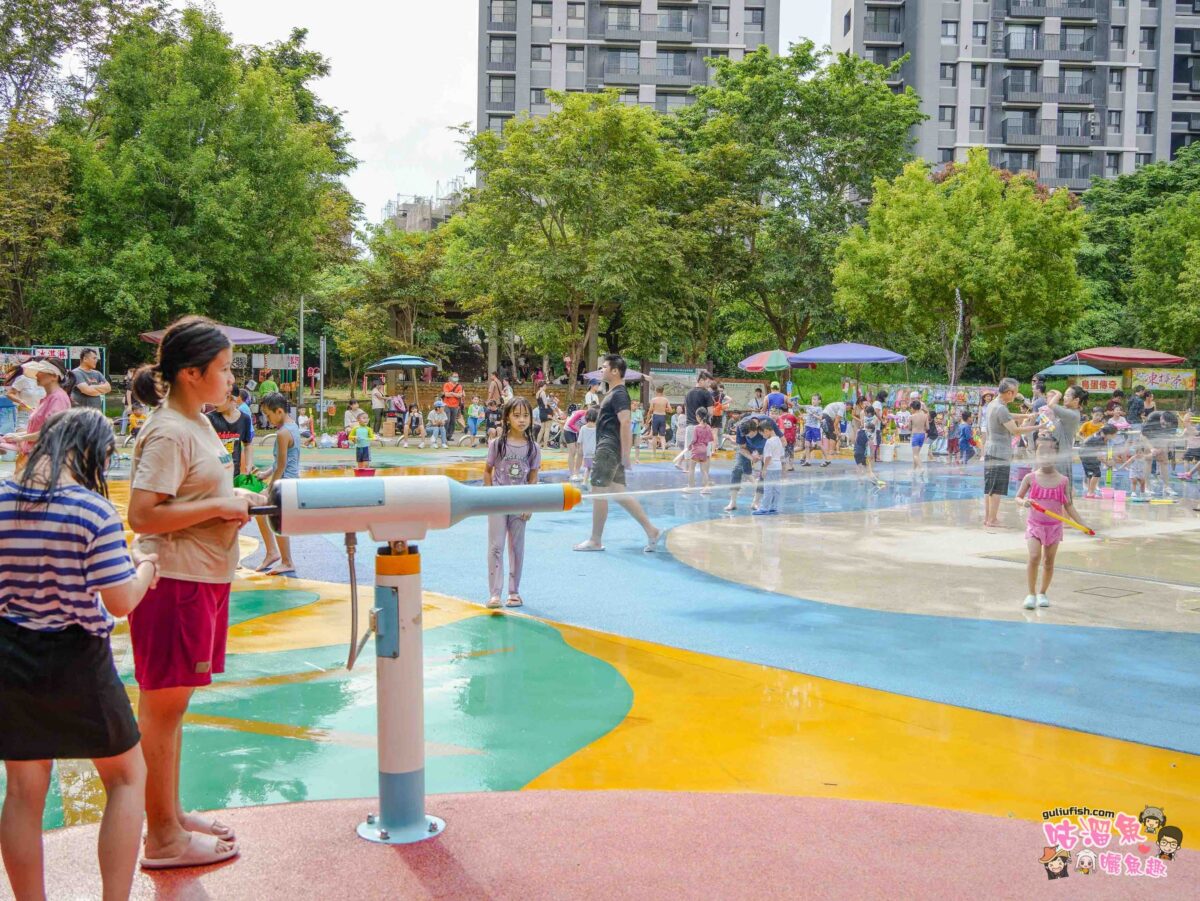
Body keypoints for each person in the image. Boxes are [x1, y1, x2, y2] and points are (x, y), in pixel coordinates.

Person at [1, 408, 159, 900]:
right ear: (93, 451)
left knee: (24, 791)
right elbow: (120, 601)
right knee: (127, 778)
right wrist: (146, 568)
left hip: (9, 655)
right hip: (78, 659)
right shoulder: (92, 511)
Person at [125, 316, 258, 869]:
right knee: (163, 709)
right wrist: (219, 508)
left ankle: (170, 815)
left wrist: (227, 510)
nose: (231, 379)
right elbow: (143, 514)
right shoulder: (169, 430)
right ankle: (161, 839)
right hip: (174, 583)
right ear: (191, 373)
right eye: (224, 369)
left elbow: (194, 499)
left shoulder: (199, 423)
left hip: (203, 575)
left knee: (173, 709)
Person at [573, 354, 662, 553]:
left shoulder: (619, 394)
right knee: (619, 493)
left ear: (615, 371)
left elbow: (625, 422)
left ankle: (595, 540)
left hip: (608, 448)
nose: (602, 370)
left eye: (604, 367)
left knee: (598, 492)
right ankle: (652, 530)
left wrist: (625, 454)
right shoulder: (614, 393)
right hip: (611, 448)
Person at [1016, 437, 1088, 610]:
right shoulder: (1030, 478)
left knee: (1049, 561)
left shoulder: (1063, 480)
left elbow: (1069, 506)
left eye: (1050, 452)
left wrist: (1083, 525)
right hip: (1035, 525)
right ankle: (1031, 593)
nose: (1045, 456)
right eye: (1042, 452)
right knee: (1034, 556)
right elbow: (1017, 497)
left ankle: (1042, 592)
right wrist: (1023, 502)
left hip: (1054, 528)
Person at [982, 378, 1039, 528]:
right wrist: (1040, 427)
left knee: (989, 487)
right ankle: (992, 520)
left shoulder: (994, 404)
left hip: (991, 450)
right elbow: (1015, 430)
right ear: (1008, 393)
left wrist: (1025, 416)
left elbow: (1007, 416)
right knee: (996, 488)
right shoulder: (1000, 408)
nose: (1016, 395)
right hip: (999, 452)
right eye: (1015, 392)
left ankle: (988, 518)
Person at [255, 393, 299, 578]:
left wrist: (271, 486)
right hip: (288, 480)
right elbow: (281, 462)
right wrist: (265, 473)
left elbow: (281, 466)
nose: (267, 419)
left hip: (285, 483)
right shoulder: (292, 426)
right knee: (270, 515)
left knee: (269, 514)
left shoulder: (282, 433)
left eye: (268, 414)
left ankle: (284, 559)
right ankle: (275, 553)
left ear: (279, 411)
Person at [1, 359, 73, 469]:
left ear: (54, 376)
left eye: (41, 371)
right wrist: (17, 436)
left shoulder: (58, 399)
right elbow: (39, 429)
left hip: (44, 461)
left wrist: (20, 438)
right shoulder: (48, 398)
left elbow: (50, 432)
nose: (37, 374)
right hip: (34, 458)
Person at [725, 412, 782, 513]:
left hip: (765, 450)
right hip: (747, 450)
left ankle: (756, 501)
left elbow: (782, 441)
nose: (748, 437)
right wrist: (751, 457)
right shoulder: (741, 427)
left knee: (764, 474)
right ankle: (732, 501)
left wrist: (765, 456)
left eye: (749, 435)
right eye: (745, 435)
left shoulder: (767, 422)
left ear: (757, 429)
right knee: (737, 469)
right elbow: (742, 448)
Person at [1041, 386, 1088, 485]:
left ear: (1076, 400)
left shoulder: (1072, 414)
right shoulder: (1068, 411)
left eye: (1067, 395)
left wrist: (1058, 394)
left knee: (1059, 487)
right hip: (1056, 454)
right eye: (1064, 395)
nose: (1064, 398)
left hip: (1061, 456)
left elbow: (1051, 405)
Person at [673, 371, 715, 470]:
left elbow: (686, 411)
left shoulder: (688, 393)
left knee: (689, 452)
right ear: (701, 380)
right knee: (706, 453)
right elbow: (710, 412)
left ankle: (687, 474)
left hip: (690, 426)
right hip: (702, 428)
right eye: (708, 382)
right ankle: (705, 477)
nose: (709, 385)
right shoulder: (706, 394)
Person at [206, 392, 253, 477]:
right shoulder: (209, 418)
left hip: (234, 472)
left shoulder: (245, 419)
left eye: (218, 399)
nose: (214, 403)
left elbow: (247, 444)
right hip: (213, 473)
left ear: (231, 399)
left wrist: (248, 464)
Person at [1080, 424, 1118, 498]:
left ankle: (1089, 492)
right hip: (1088, 456)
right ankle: (1090, 493)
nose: (1115, 436)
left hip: (1085, 454)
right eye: (1114, 434)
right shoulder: (1099, 440)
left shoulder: (1100, 436)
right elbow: (1099, 456)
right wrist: (1107, 463)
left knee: (1090, 475)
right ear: (1108, 434)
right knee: (1097, 474)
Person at [755, 424, 785, 515]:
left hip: (770, 467)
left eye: (762, 434)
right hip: (778, 466)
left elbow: (768, 457)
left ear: (766, 431)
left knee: (767, 488)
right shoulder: (779, 440)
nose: (763, 436)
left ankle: (764, 508)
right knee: (776, 488)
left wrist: (764, 469)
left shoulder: (769, 442)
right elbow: (781, 455)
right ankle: (774, 507)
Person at [686, 407, 714, 493]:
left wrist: (689, 446)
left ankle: (691, 487)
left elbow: (694, 439)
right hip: (704, 451)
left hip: (696, 451)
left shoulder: (697, 428)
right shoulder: (708, 427)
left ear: (698, 416)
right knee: (704, 470)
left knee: (691, 469)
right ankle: (706, 488)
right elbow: (711, 439)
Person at [562, 404, 587, 480]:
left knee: (580, 452)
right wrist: (579, 431)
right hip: (569, 430)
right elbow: (570, 424)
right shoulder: (581, 413)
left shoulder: (594, 417)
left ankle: (577, 472)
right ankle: (572, 473)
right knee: (572, 452)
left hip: (577, 431)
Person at [820, 399, 846, 466]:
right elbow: (836, 423)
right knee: (833, 435)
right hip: (827, 417)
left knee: (828, 436)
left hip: (824, 416)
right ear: (848, 406)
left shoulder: (839, 404)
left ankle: (828, 453)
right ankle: (831, 452)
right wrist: (837, 432)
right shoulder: (843, 407)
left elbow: (835, 421)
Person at [800, 394, 823, 467]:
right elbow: (799, 406)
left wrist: (813, 414)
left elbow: (820, 418)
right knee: (806, 445)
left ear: (819, 401)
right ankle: (807, 461)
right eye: (812, 399)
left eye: (815, 399)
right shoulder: (809, 407)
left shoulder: (819, 408)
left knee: (818, 445)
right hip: (808, 427)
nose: (813, 401)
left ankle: (826, 459)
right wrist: (795, 402)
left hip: (815, 428)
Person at [647, 386, 670, 456]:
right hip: (662, 416)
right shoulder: (666, 400)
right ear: (663, 392)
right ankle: (663, 451)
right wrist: (664, 408)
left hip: (656, 416)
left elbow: (650, 410)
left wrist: (647, 419)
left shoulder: (653, 400)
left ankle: (654, 453)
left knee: (654, 436)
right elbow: (670, 410)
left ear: (656, 392)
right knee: (662, 436)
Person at [442, 372, 464, 440]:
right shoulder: (446, 384)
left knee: (453, 421)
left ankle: (449, 436)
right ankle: (444, 435)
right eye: (454, 376)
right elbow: (446, 394)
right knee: (447, 420)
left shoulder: (459, 386)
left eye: (457, 376)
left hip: (455, 406)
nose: (456, 378)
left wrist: (451, 393)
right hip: (447, 405)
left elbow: (460, 395)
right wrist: (455, 394)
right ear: (451, 377)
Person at [909, 400, 929, 475]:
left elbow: (909, 428)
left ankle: (921, 468)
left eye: (911, 408)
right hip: (922, 435)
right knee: (917, 454)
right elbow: (927, 427)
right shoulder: (925, 416)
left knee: (915, 455)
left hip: (915, 435)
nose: (910, 410)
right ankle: (913, 469)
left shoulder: (911, 417)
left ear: (913, 408)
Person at [578, 408, 598, 480]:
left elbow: (580, 441)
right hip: (596, 452)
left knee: (588, 469)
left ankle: (584, 482)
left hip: (586, 452)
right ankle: (594, 482)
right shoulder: (597, 428)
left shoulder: (583, 428)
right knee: (596, 468)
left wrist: (580, 450)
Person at [778, 404, 798, 472]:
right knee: (791, 451)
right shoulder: (792, 416)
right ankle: (791, 466)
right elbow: (796, 422)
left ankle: (786, 466)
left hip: (783, 437)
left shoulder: (779, 418)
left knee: (784, 452)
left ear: (781, 410)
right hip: (791, 436)